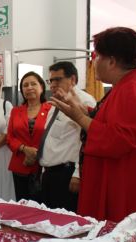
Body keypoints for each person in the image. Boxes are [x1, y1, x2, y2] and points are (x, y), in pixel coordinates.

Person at [50, 27, 136, 226]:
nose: (94, 63)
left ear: (112, 61)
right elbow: (111, 121)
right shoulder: (127, 85)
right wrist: (84, 110)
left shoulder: (133, 89)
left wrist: (79, 117)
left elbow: (119, 139)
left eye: (97, 57)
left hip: (125, 188)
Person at [39, 62, 96, 212]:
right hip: (50, 173)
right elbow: (50, 138)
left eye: (58, 79)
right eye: (51, 80)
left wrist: (77, 174)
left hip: (67, 174)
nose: (53, 84)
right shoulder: (55, 101)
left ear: (72, 79)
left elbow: (85, 141)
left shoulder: (85, 101)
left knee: (64, 224)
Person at [7, 71, 51, 201]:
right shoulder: (16, 111)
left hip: (43, 165)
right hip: (20, 164)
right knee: (22, 203)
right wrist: (24, 149)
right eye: (25, 85)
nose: (29, 87)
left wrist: (34, 153)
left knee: (42, 205)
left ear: (42, 87)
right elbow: (10, 137)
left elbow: (53, 136)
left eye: (33, 84)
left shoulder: (51, 109)